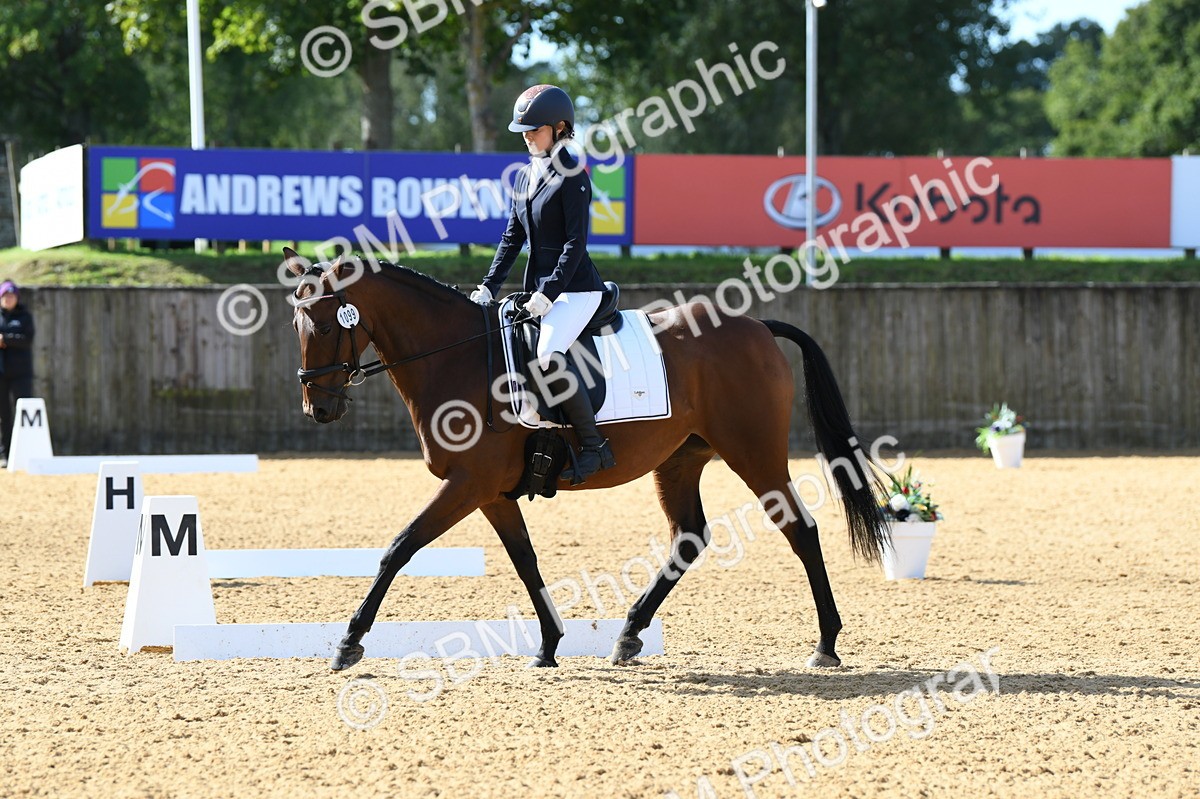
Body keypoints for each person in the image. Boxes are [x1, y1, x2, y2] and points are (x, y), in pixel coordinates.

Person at [470, 84, 615, 483]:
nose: (527, 136)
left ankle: (595, 446)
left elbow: (575, 242)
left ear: (560, 127)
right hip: (540, 291)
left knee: (549, 353)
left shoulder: (573, 175)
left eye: (534, 129)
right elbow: (511, 238)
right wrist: (489, 285)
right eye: (524, 130)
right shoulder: (524, 177)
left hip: (577, 290)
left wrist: (548, 292)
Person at [0, 280, 35, 468]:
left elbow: (27, 339)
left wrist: (5, 340)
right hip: (1, 373)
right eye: (5, 296)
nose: (8, 299)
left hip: (21, 373)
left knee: (24, 413)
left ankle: (27, 453)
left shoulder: (25, 317)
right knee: (3, 415)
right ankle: (5, 454)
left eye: (11, 296)